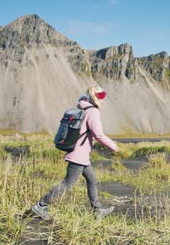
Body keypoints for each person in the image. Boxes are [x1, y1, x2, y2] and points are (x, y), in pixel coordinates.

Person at [31, 86, 120, 220]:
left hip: (81, 154)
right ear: (95, 97)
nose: (103, 100)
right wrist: (113, 146)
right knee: (68, 183)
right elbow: (98, 134)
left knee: (92, 181)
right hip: (79, 154)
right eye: (101, 96)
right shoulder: (93, 112)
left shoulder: (82, 108)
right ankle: (40, 205)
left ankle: (97, 210)